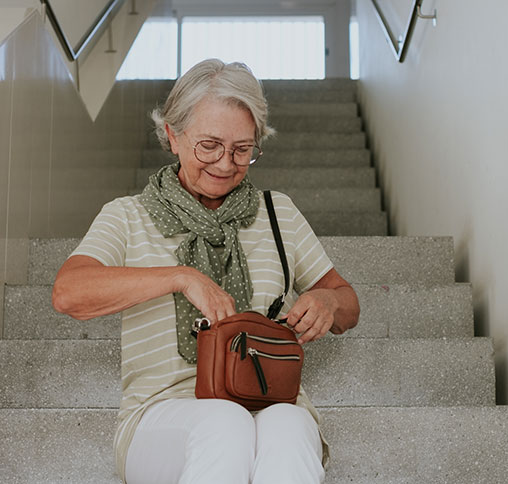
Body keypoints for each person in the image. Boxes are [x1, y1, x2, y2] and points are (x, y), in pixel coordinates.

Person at [52, 58, 360, 484]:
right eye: (209, 145)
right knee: (225, 421)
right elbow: (69, 292)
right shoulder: (126, 216)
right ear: (172, 137)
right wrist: (182, 276)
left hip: (269, 402)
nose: (225, 163)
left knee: (289, 426)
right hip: (160, 418)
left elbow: (348, 304)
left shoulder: (278, 213)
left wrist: (328, 301)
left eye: (242, 149)